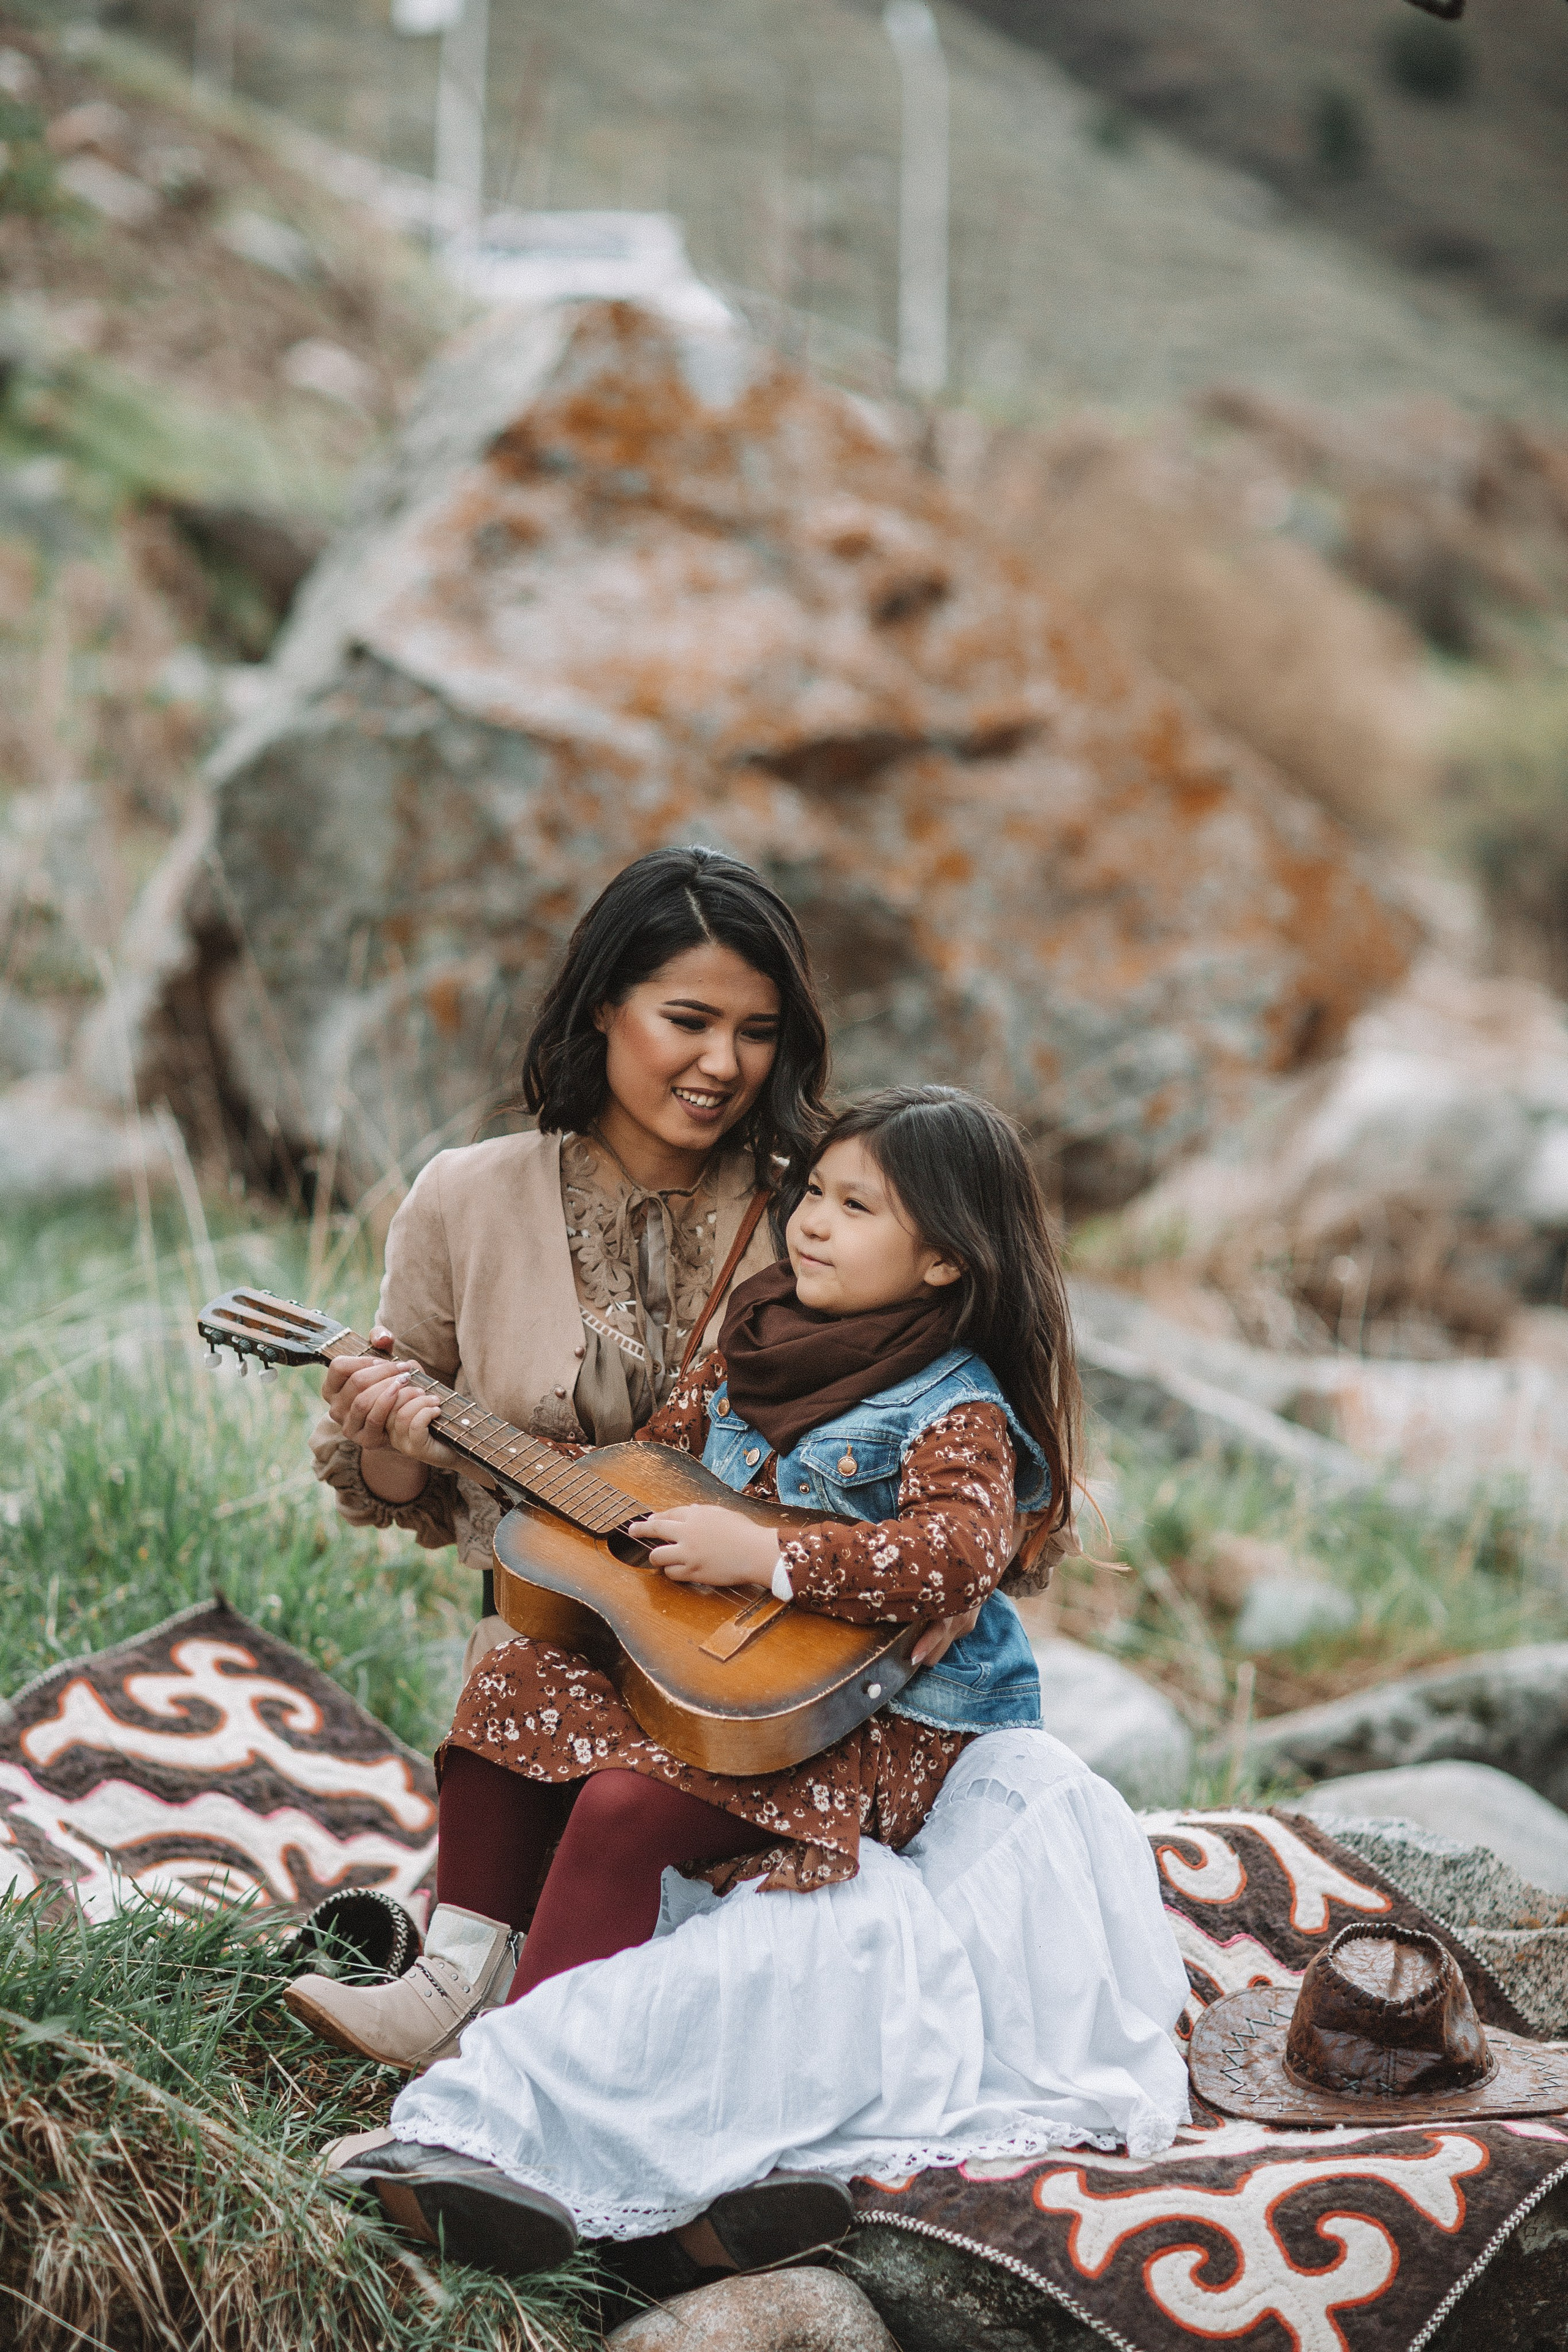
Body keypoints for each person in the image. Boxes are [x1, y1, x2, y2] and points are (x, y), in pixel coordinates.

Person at [295, 1089, 1191, 2280]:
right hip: (717, 1682)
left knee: (620, 1811)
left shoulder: (953, 1401)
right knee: (515, 1675)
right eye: (813, 1192)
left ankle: (509, 2106)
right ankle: (456, 1977)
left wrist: (768, 1556)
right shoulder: (752, 1341)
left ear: (939, 1260)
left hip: (867, 1728)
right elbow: (644, 1474)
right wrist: (443, 1428)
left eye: (855, 1206)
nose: (811, 1221)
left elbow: (958, 1552)